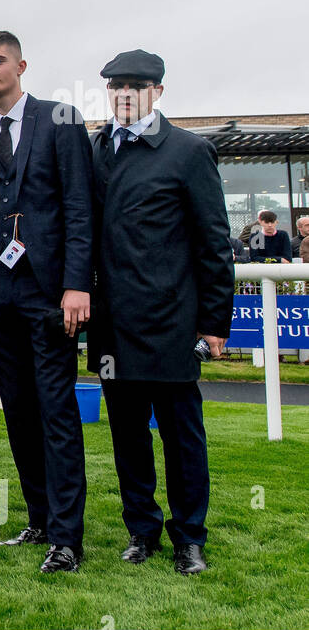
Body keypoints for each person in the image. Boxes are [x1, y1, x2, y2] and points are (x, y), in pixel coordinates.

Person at [88, 49, 234, 575]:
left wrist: (215, 321)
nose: (125, 94)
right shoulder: (96, 147)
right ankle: (141, 530)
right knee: (127, 435)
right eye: (116, 85)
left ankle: (189, 536)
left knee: (181, 436)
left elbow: (215, 243)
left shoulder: (190, 151)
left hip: (172, 321)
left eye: (137, 85)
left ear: (158, 92)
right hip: (112, 323)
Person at [0, 30, 93, 573]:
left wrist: (77, 284)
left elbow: (81, 207)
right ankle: (39, 519)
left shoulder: (61, 120)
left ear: (21, 64)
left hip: (50, 292)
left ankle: (67, 537)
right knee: (16, 410)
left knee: (55, 411)